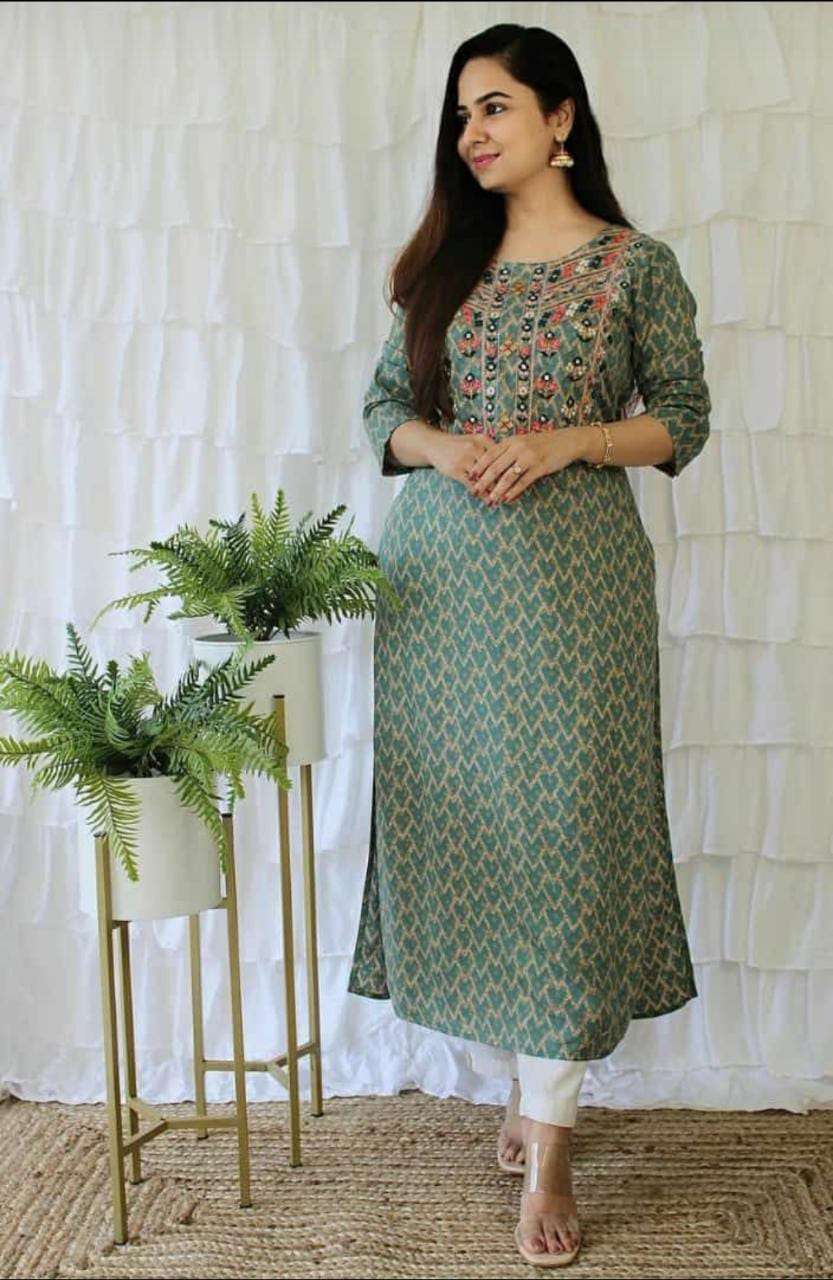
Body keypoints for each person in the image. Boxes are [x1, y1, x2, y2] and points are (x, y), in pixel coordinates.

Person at [348, 20, 710, 1268]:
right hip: (439, 592)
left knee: (565, 838)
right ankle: (525, 1082)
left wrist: (565, 442)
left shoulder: (631, 266)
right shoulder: (442, 265)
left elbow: (681, 417)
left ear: (561, 117)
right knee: (479, 837)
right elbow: (383, 412)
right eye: (460, 115)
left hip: (573, 591)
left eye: (494, 106)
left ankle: (550, 1133)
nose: (472, 133)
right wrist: (445, 446)